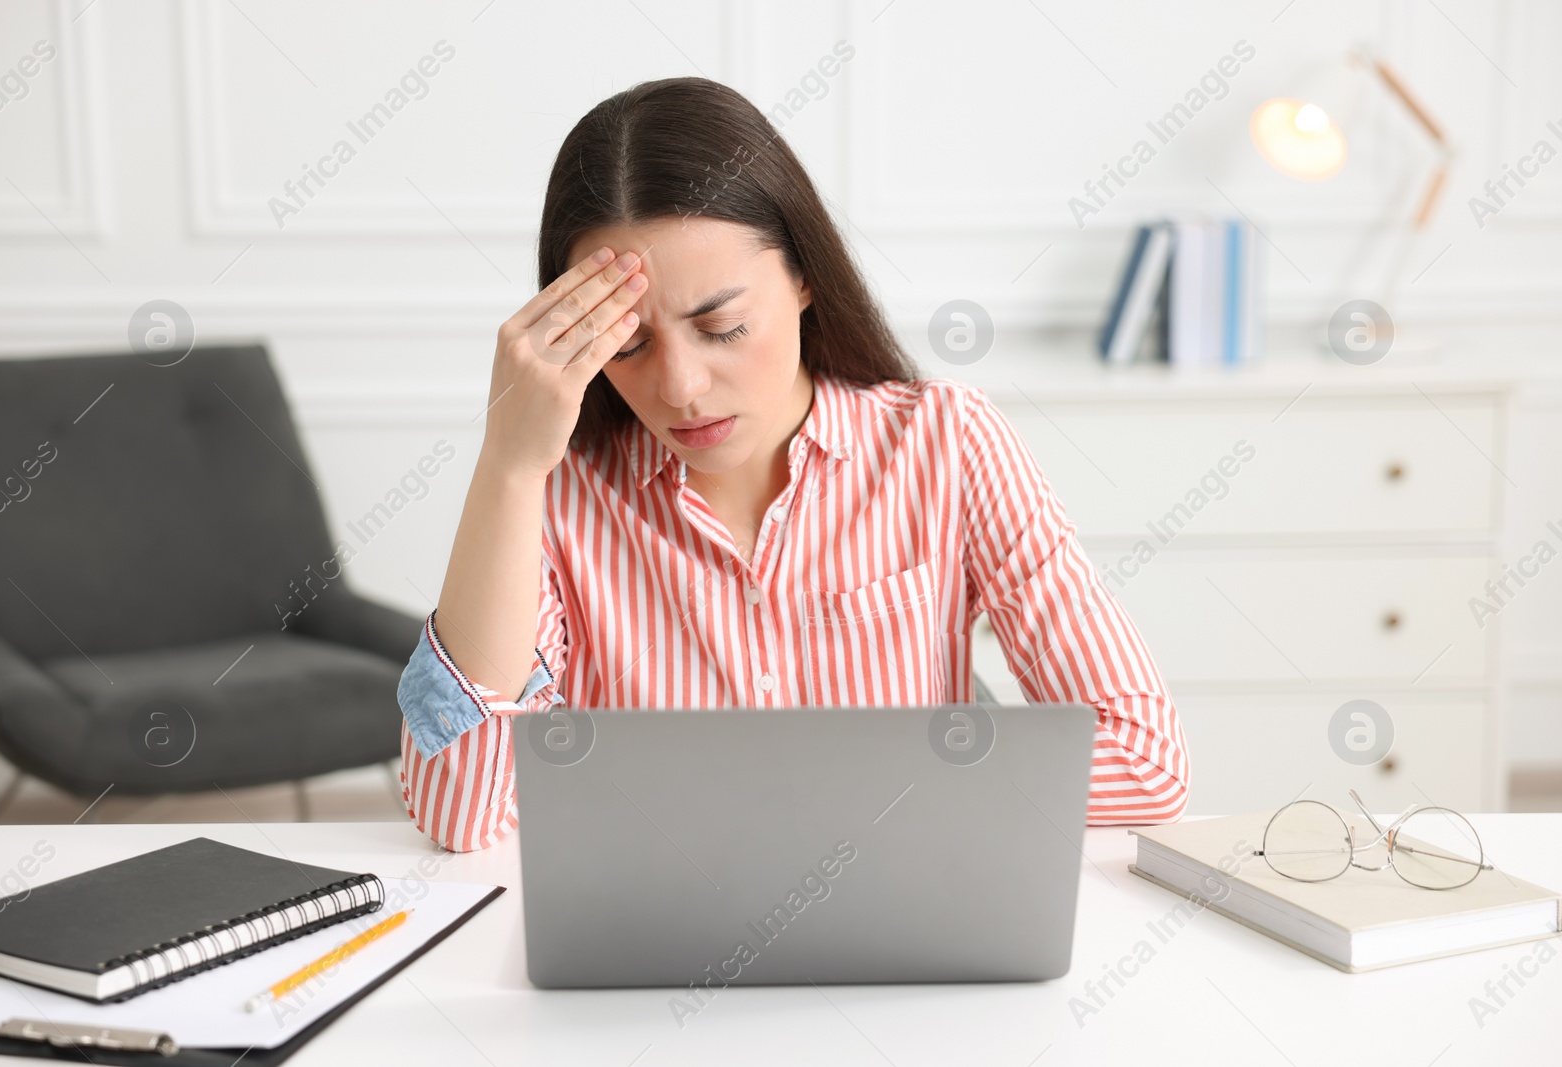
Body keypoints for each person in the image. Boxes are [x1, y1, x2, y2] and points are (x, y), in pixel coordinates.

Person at [396, 76, 1188, 852]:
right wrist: (508, 464)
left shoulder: (947, 444)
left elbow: (1145, 760)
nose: (680, 388)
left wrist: (835, 805)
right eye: (628, 345)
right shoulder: (557, 495)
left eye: (724, 326)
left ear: (804, 274)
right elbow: (461, 811)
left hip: (895, 933)